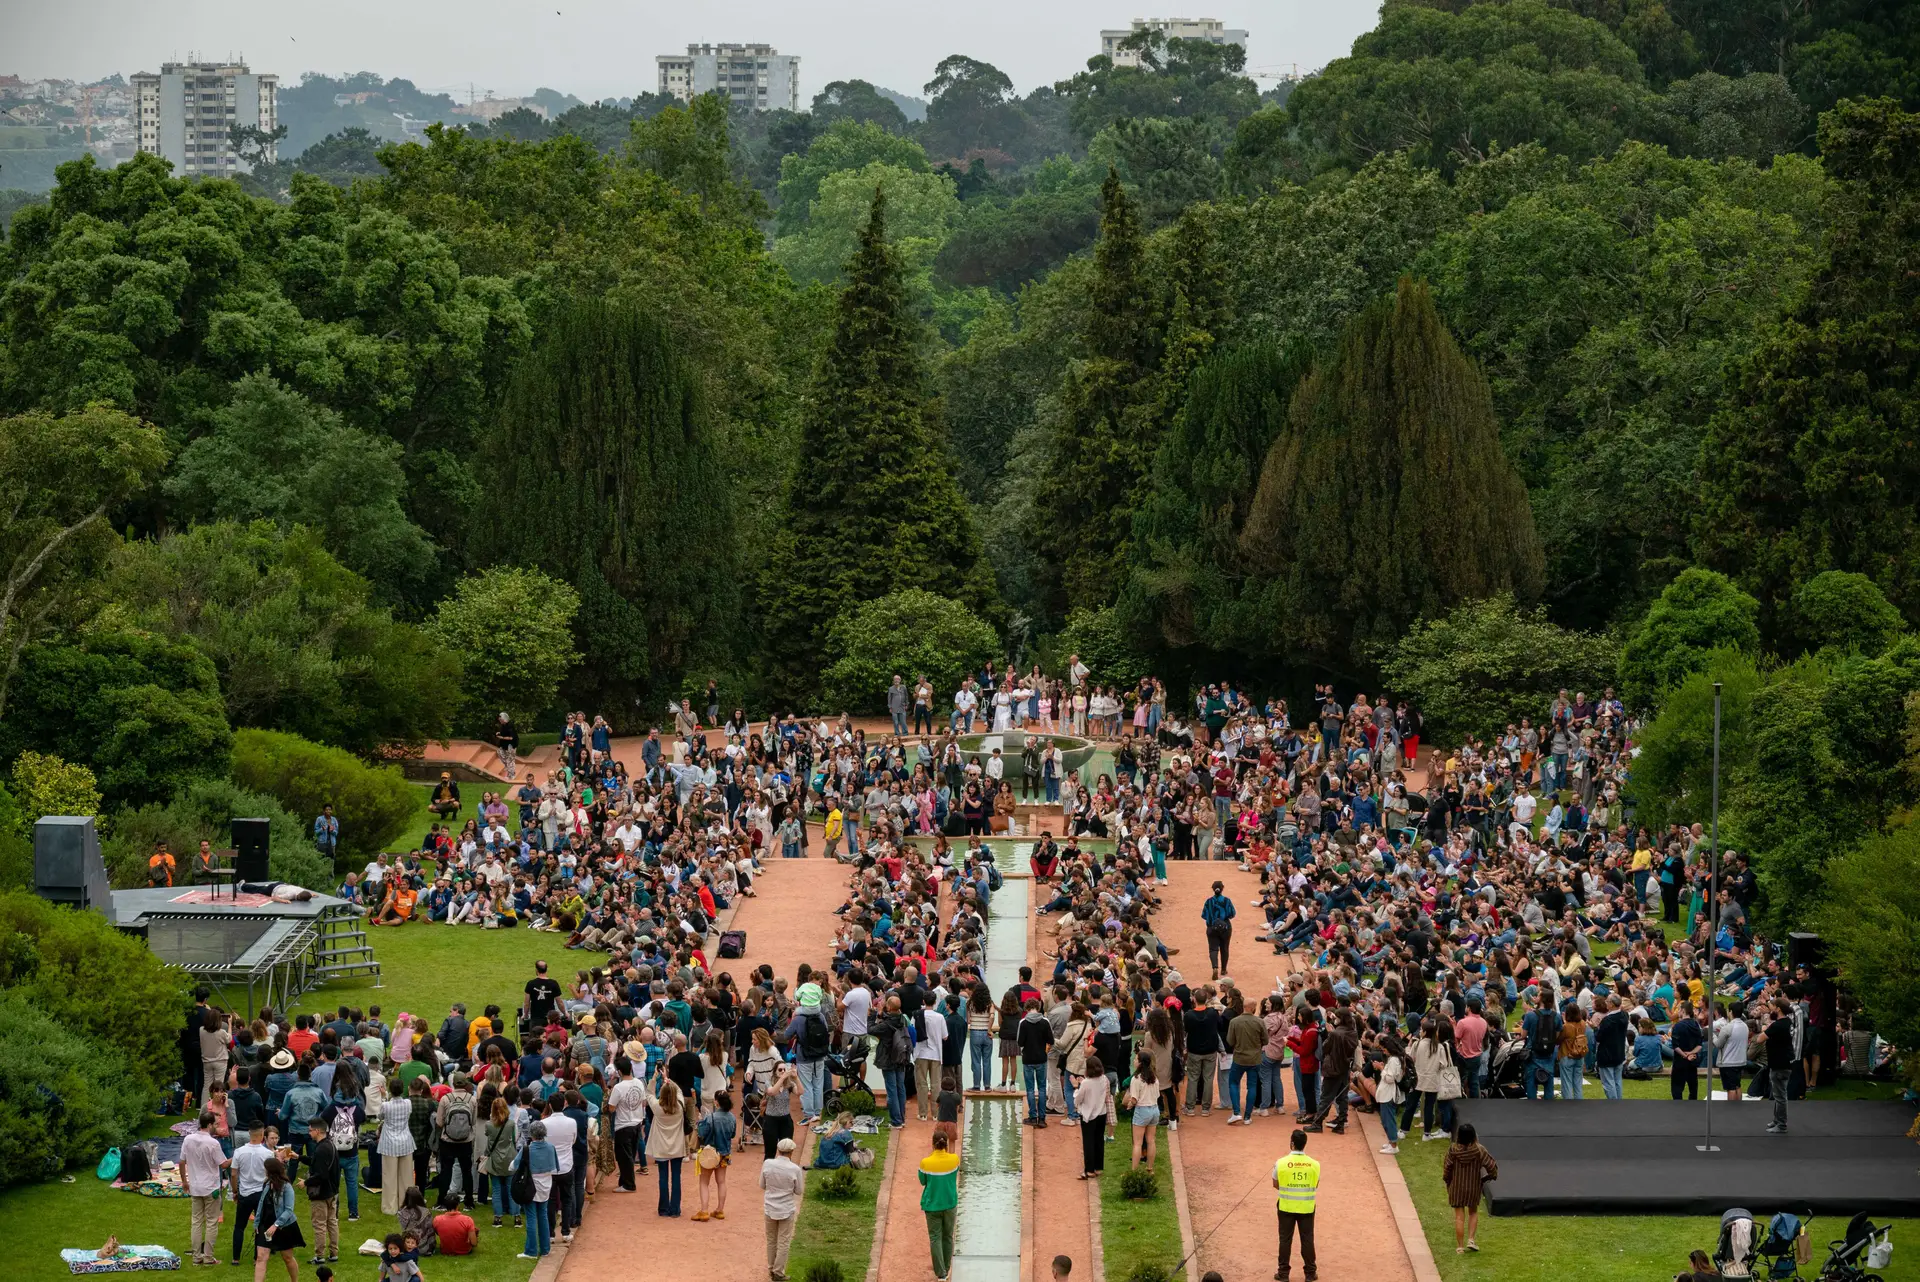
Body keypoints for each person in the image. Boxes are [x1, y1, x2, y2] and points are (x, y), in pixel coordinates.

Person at [1442, 1121, 1498, 1254]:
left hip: (1456, 1186)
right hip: (1473, 1186)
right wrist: (1487, 1178)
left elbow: (1447, 1169)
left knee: (1459, 1217)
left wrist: (1448, 1181)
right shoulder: (1479, 1150)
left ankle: (1460, 1247)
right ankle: (1471, 1240)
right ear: (1473, 1135)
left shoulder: (1452, 1150)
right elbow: (1492, 1167)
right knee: (1473, 1212)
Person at [182, 1110, 229, 1266]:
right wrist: (237, 1156)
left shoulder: (188, 1139)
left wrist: (184, 1181)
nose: (217, 1127)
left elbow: (182, 1161)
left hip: (195, 1186)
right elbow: (223, 1164)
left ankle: (196, 1257)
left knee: (196, 1222)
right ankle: (208, 1258)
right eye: (215, 1124)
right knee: (211, 1222)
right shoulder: (213, 1143)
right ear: (209, 1125)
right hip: (211, 1189)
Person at [1274, 1128, 1320, 1282]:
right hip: (1307, 1207)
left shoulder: (1281, 1162)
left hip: (1286, 1206)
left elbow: (1276, 1184)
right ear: (1305, 1144)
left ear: (1292, 1143)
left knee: (1285, 1240)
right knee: (1307, 1239)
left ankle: (1283, 1274)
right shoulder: (1315, 1164)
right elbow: (1316, 1184)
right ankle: (1310, 1273)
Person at [252, 1156, 305, 1282]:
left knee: (287, 1257)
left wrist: (275, 1225)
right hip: (265, 1225)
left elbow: (288, 1210)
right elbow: (261, 1203)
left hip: (284, 1226)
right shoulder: (266, 1183)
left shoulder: (286, 1187)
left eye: (265, 1169)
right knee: (261, 1257)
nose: (264, 1171)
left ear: (271, 1170)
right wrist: (257, 1223)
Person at [761, 1136, 806, 1281]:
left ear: (778, 1150)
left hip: (770, 1208)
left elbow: (762, 1185)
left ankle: (771, 1268)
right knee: (783, 1242)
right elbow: (799, 1191)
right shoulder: (794, 1169)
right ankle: (778, 1272)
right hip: (786, 1209)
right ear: (791, 1152)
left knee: (771, 1240)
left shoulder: (767, 1164)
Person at [920, 1130, 962, 1282]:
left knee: (935, 1237)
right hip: (950, 1203)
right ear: (945, 1144)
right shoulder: (954, 1159)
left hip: (932, 1206)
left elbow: (923, 1181)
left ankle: (941, 1273)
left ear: (933, 1144)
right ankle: (947, 1266)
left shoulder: (925, 1162)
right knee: (948, 1236)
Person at [230, 1120, 273, 1265]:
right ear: (262, 1135)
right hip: (260, 1192)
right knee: (260, 1225)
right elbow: (270, 1175)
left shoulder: (239, 1152)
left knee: (239, 1226)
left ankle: (236, 1257)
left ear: (249, 1133)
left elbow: (234, 1174)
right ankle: (257, 1258)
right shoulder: (268, 1153)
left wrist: (235, 1191)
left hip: (244, 1192)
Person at [646, 1076, 689, 1217]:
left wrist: (654, 1078)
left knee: (662, 1178)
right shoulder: (680, 1106)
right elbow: (679, 1091)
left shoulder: (657, 1107)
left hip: (661, 1148)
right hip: (677, 1147)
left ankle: (663, 1209)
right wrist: (668, 1079)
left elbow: (649, 1093)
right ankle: (675, 1209)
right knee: (676, 1177)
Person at [693, 1089, 737, 1221]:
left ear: (716, 1102)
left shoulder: (710, 1117)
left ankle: (704, 1211)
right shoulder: (732, 1117)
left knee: (704, 1182)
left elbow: (702, 1134)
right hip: (724, 1154)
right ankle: (720, 1210)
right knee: (721, 1182)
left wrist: (700, 1121)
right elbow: (733, 1135)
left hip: (709, 1154)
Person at [302, 1118, 340, 1266]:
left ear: (318, 1131)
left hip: (320, 1194)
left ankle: (319, 1256)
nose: (309, 1133)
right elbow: (317, 1162)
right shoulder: (330, 1144)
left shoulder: (320, 1148)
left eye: (310, 1130)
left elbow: (321, 1175)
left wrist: (305, 1182)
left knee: (319, 1225)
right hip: (332, 1192)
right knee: (332, 1223)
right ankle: (334, 1253)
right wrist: (299, 1157)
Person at [1075, 1054, 1111, 1178]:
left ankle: (1089, 1170)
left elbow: (1078, 1099)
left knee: (1088, 1141)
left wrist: (1076, 1086)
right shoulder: (1104, 1079)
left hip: (1088, 1115)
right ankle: (1098, 1167)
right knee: (1099, 1140)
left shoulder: (1086, 1083)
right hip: (1102, 1113)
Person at [1763, 997, 1795, 1134]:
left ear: (1779, 1009)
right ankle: (1777, 1120)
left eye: (1773, 1006)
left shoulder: (1777, 1026)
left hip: (1779, 1064)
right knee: (1779, 1094)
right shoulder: (1787, 1022)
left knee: (1780, 1095)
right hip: (1782, 1062)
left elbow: (1760, 1038)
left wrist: (1766, 1026)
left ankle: (1781, 1124)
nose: (1771, 1008)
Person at [1125, 1052, 1159, 1169]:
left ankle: (1134, 1171)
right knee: (1151, 1141)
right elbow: (1157, 1096)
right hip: (1154, 1110)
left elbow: (1134, 1099)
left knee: (1137, 1143)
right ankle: (1150, 1168)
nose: (1134, 1061)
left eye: (1136, 1059)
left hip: (1142, 1110)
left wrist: (1129, 1105)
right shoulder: (1154, 1078)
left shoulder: (1136, 1079)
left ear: (1140, 1063)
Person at [1202, 881, 1235, 979]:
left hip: (1212, 928)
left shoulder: (1208, 901)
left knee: (1213, 949)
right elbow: (1232, 913)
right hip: (1225, 927)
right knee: (1224, 948)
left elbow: (1204, 915)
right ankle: (1223, 969)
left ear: (1213, 889)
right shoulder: (1227, 901)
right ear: (1222, 888)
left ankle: (1215, 967)